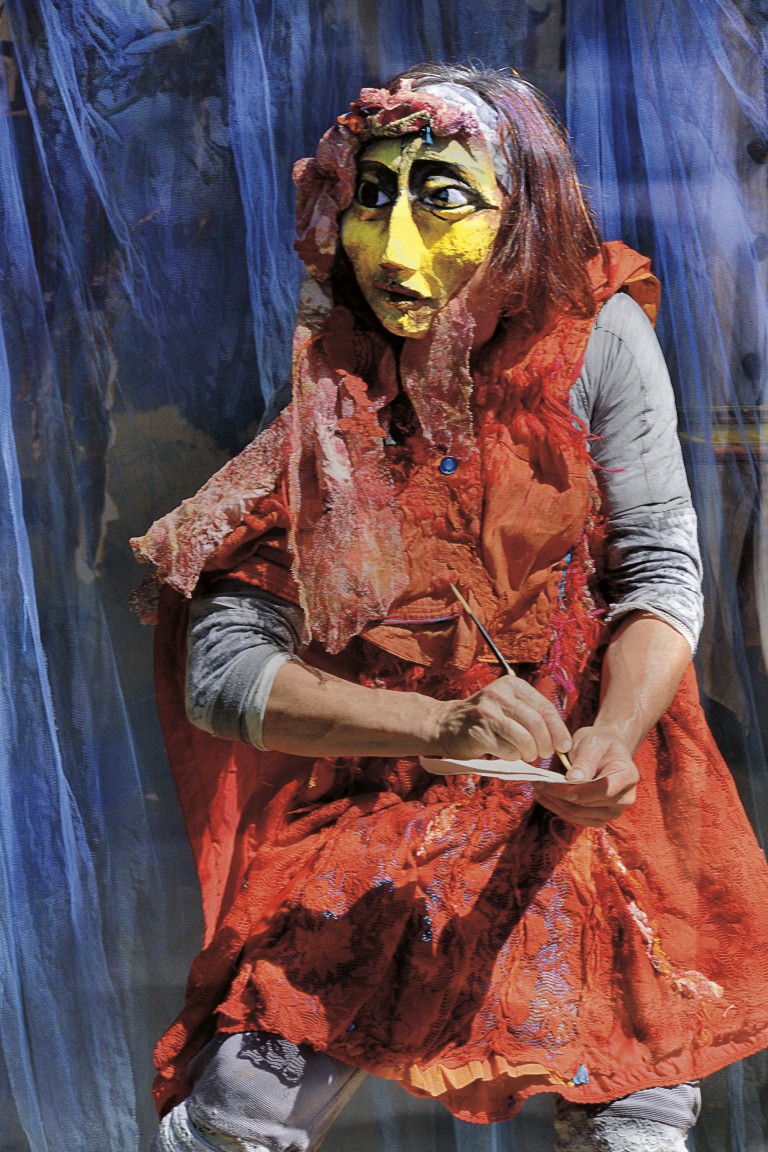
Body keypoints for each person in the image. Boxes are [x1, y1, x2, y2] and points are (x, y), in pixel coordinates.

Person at [132, 64, 768, 1152]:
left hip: (581, 786)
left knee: (636, 1104)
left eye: (441, 199)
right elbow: (225, 670)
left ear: (523, 214)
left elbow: (660, 571)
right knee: (243, 1107)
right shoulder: (339, 382)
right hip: (386, 794)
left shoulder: (598, 342)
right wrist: (438, 728)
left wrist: (614, 735)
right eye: (370, 198)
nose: (392, 251)